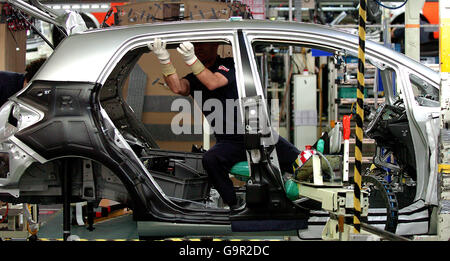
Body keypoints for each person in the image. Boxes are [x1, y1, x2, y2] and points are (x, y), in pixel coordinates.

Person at [149, 39, 301, 211]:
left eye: (202, 44)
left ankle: (305, 202)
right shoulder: (194, 78)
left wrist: (191, 59)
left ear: (215, 45)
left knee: (302, 163)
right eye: (195, 46)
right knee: (210, 159)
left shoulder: (228, 65)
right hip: (229, 141)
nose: (198, 48)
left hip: (257, 135)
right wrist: (164, 60)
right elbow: (178, 87)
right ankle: (235, 206)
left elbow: (213, 82)